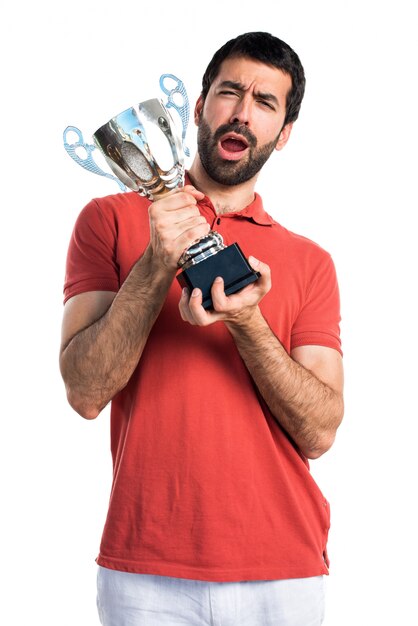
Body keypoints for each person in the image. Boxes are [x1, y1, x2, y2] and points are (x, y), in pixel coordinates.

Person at [60, 31, 344, 626]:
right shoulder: (108, 221)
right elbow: (85, 392)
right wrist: (158, 260)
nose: (242, 112)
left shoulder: (311, 261)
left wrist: (246, 321)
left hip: (283, 571)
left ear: (284, 133)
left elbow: (319, 431)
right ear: (197, 106)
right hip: (145, 570)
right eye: (230, 92)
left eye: (266, 103)